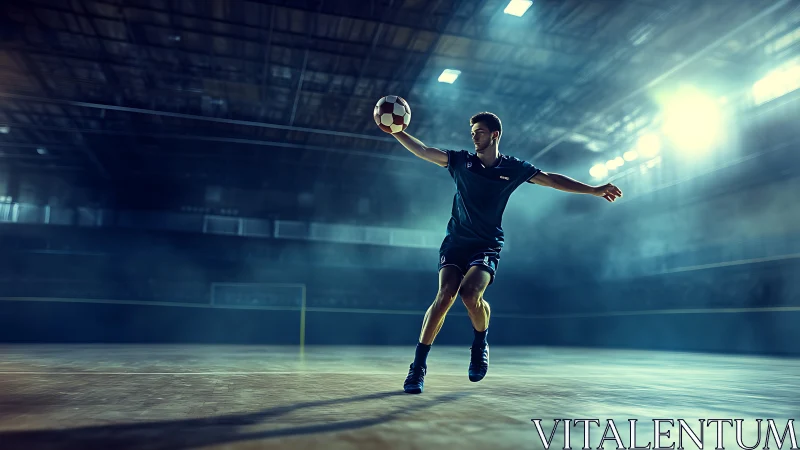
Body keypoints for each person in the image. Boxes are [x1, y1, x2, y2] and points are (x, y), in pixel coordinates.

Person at [380, 111, 622, 394]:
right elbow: (423, 150)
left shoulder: (513, 167)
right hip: (456, 243)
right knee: (445, 295)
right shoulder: (461, 161)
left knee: (470, 294)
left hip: (486, 245)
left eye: (479, 132)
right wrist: (396, 131)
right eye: (472, 133)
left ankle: (480, 341)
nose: (474, 137)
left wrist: (593, 190)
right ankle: (417, 367)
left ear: (494, 135)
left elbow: (552, 180)